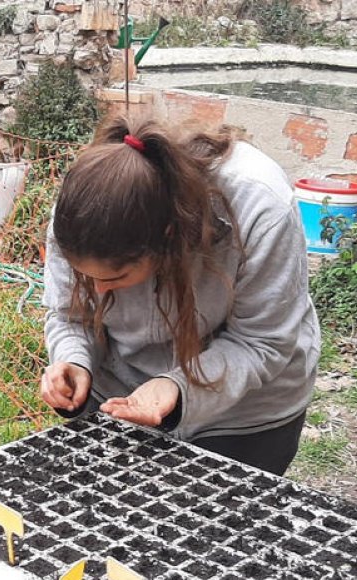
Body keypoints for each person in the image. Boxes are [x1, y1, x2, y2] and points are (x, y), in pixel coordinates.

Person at [40, 112, 320, 476]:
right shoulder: (79, 212)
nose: (96, 291)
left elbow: (261, 341)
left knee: (227, 528)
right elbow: (69, 315)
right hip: (121, 400)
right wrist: (74, 360)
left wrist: (177, 388)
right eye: (85, 277)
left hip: (245, 414)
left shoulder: (260, 208)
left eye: (117, 277)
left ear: (169, 237)